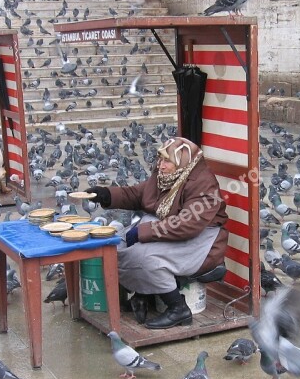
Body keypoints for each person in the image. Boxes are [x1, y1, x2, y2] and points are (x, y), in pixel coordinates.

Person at [87, 137, 229, 329]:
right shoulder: (166, 175)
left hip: (203, 241)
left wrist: (143, 232)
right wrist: (106, 194)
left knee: (146, 257)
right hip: (171, 229)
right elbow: (139, 194)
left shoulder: (203, 183)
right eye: (160, 159)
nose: (161, 166)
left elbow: (188, 224)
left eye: (167, 161)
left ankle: (178, 308)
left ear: (183, 160)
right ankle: (143, 295)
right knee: (117, 243)